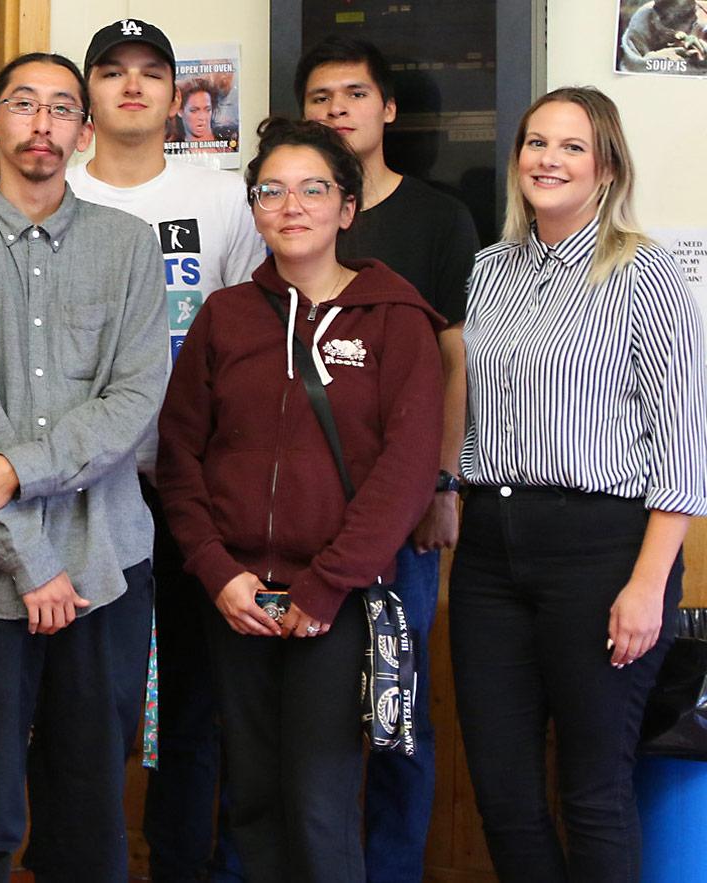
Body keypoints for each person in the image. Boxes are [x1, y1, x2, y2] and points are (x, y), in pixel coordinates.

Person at [156, 116, 443, 883]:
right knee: (249, 798)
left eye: (314, 189)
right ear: (253, 209)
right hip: (238, 596)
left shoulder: (396, 317)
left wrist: (324, 586)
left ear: (346, 208)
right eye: (271, 191)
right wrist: (218, 571)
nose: (292, 206)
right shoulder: (225, 316)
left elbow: (408, 470)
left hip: (338, 600)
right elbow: (181, 456)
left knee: (319, 802)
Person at [0, 52, 166, 882]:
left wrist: (18, 470)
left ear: (83, 132)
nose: (42, 122)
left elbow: (134, 401)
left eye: (62, 108)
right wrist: (35, 564)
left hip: (110, 564)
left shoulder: (129, 247)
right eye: (23, 104)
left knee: (89, 812)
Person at [451, 86, 706, 883]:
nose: (548, 160)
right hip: (492, 551)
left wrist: (646, 583)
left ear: (605, 168)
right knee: (502, 790)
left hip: (604, 553)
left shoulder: (646, 272)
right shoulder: (490, 270)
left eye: (570, 147)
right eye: (536, 143)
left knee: (592, 790)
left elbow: (685, 442)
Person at [61, 20, 267, 881]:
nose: (133, 87)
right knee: (83, 705)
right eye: (113, 72)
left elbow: (254, 342)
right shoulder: (54, 191)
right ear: (90, 94)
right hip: (78, 491)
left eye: (152, 73)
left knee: (194, 700)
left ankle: (183, 864)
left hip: (191, 486)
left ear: (183, 94)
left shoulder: (221, 197)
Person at [295, 35, 482, 883]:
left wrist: (442, 482)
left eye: (355, 94)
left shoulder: (438, 218)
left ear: (388, 108)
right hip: (294, 515)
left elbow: (453, 361)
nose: (338, 109)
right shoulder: (285, 211)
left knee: (396, 716)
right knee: (293, 719)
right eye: (322, 97)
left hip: (401, 514)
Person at [618, 0, 707, 73]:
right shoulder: (642, 21)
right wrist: (662, 58)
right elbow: (631, 67)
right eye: (669, 33)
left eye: (691, 25)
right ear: (655, 19)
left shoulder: (702, 17)